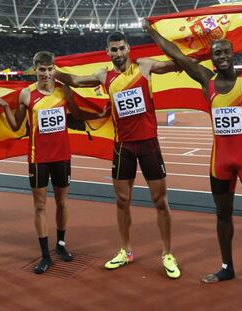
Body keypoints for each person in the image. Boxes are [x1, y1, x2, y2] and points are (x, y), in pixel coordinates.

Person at [145, 21, 242, 283]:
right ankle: (227, 267)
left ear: (233, 54)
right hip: (220, 161)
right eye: (217, 53)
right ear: (211, 59)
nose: (222, 56)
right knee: (223, 215)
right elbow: (176, 55)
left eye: (225, 51)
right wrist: (151, 32)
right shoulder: (206, 80)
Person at [55, 32, 181, 279]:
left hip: (148, 145)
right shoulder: (104, 75)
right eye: (114, 50)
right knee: (122, 201)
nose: (118, 54)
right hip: (123, 146)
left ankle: (167, 253)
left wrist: (174, 44)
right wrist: (49, 70)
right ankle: (125, 250)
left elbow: (175, 63)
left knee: (160, 201)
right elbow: (76, 80)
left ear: (129, 48)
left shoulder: (144, 66)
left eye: (122, 48)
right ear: (107, 52)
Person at [0, 51, 108, 274]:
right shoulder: (26, 95)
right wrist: (7, 108)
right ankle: (45, 255)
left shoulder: (64, 90)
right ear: (34, 69)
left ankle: (61, 245)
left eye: (49, 69)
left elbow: (75, 115)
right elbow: (17, 126)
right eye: (42, 69)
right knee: (39, 206)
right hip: (38, 158)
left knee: (62, 203)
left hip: (62, 156)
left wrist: (98, 115)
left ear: (55, 69)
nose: (46, 74)